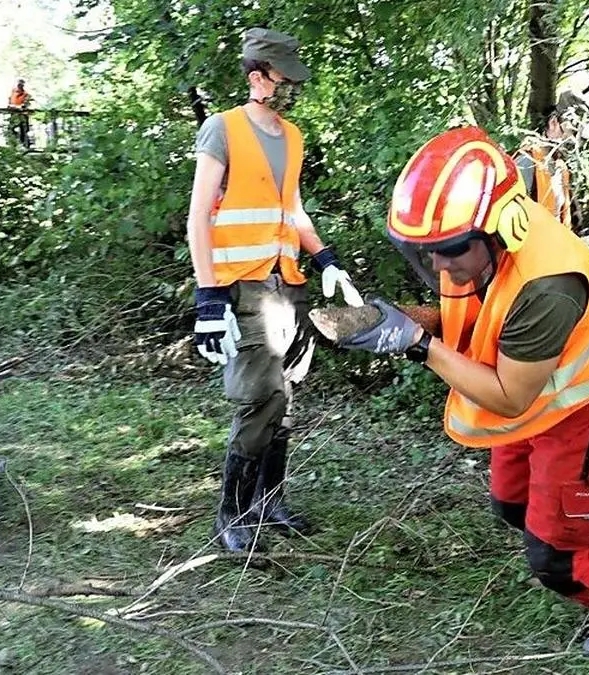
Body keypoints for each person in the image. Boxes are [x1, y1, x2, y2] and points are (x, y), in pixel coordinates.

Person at [333, 126, 589, 663]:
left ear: (497, 230)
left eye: (447, 252)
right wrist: (400, 321)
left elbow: (509, 396)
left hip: (584, 406)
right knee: (512, 504)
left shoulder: (549, 285)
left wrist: (415, 341)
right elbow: (483, 321)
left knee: (555, 556)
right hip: (536, 394)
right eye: (426, 253)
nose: (438, 267)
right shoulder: (483, 240)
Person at [185, 27, 363, 552]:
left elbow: (293, 210)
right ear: (257, 77)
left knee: (285, 396)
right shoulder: (223, 130)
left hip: (289, 282)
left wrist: (326, 258)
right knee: (258, 398)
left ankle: (270, 503)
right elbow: (198, 219)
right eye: (285, 81)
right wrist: (208, 298)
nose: (291, 91)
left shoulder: (293, 136)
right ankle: (232, 515)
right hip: (243, 286)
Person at [513, 90, 589, 230]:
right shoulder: (527, 162)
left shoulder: (561, 167)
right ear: (553, 123)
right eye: (573, 134)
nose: (577, 144)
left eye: (581, 140)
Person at [8, 80, 32, 148]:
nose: (19, 86)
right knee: (12, 129)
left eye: (21, 85)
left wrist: (18, 106)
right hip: (13, 115)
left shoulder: (26, 94)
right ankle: (13, 145)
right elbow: (10, 102)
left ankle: (25, 145)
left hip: (23, 115)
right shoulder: (13, 92)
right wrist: (10, 106)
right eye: (18, 84)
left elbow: (26, 104)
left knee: (24, 130)